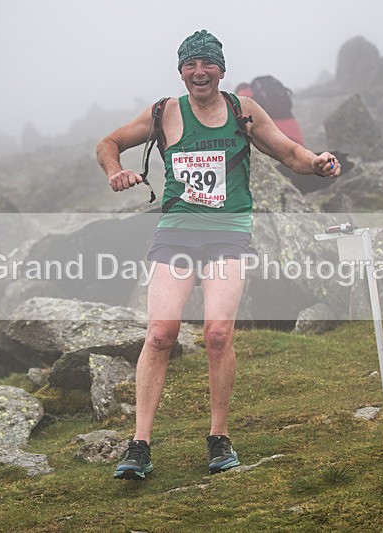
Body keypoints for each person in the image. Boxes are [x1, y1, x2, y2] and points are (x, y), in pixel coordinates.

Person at [96, 29, 341, 480]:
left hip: (229, 235)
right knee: (159, 335)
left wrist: (318, 162)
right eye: (191, 64)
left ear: (222, 70)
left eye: (207, 64)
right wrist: (115, 171)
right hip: (176, 234)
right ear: (181, 71)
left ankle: (219, 437)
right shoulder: (165, 112)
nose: (199, 72)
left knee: (217, 335)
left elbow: (288, 151)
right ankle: (139, 445)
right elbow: (107, 143)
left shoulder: (241, 111)